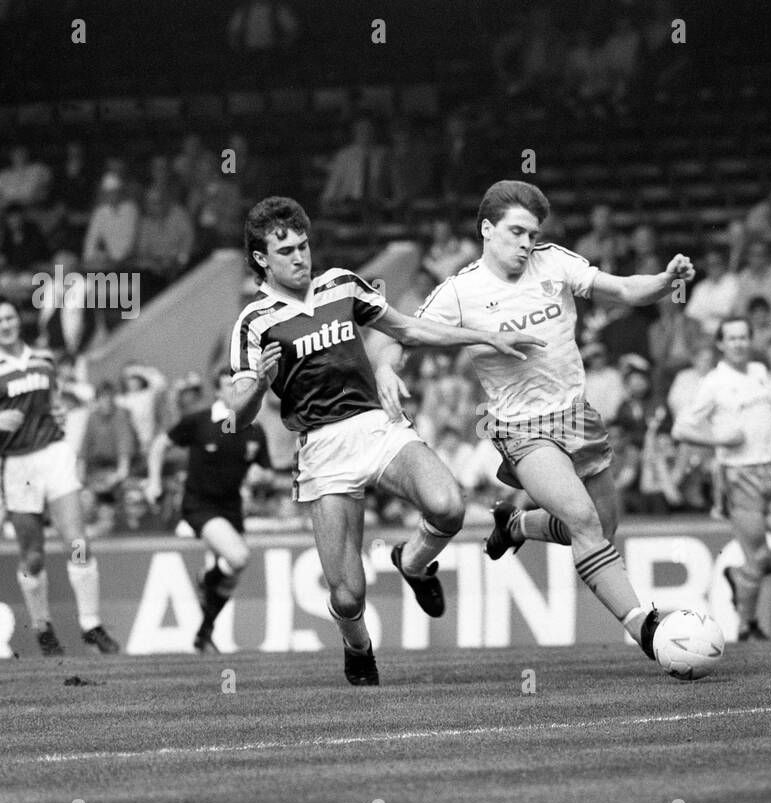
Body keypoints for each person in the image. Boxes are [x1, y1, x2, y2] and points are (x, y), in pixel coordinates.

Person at [225, 196, 542, 686]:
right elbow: (239, 415)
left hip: (376, 425)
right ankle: (358, 646)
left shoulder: (341, 284)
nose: (299, 257)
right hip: (323, 450)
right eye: (284, 249)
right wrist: (260, 385)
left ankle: (412, 562)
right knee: (348, 596)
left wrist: (484, 338)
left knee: (449, 507)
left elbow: (408, 328)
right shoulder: (255, 321)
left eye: (303, 245)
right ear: (262, 259)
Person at [379, 180, 696, 663]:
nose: (527, 243)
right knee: (584, 520)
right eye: (516, 232)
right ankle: (647, 629)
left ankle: (518, 525)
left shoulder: (554, 261)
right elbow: (401, 333)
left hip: (578, 417)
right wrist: (385, 366)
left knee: (604, 527)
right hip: (521, 429)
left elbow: (626, 290)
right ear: (487, 230)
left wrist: (665, 278)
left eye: (532, 233)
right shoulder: (461, 291)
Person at [0, 296, 120, 656]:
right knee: (32, 554)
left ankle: (91, 624)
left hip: (54, 455)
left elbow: (54, 404)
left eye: (9, 317)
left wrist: (58, 416)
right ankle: (43, 627)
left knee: (77, 542)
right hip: (17, 464)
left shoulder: (44, 360)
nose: (5, 325)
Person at [672, 316, 771, 640]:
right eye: (732, 338)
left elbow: (768, 411)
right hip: (739, 477)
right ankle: (748, 626)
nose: (739, 343)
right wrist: (720, 440)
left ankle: (739, 576)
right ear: (720, 343)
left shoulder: (759, 373)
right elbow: (681, 428)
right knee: (758, 556)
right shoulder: (714, 383)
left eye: (744, 337)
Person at [145, 369, 270, 652]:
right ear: (217, 391)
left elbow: (263, 470)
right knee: (237, 557)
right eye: (229, 386)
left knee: (229, 577)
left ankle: (204, 633)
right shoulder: (200, 422)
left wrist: (261, 477)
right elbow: (160, 444)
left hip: (232, 508)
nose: (235, 392)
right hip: (199, 505)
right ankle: (207, 578)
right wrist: (154, 481)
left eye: (241, 386)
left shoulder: (254, 429)